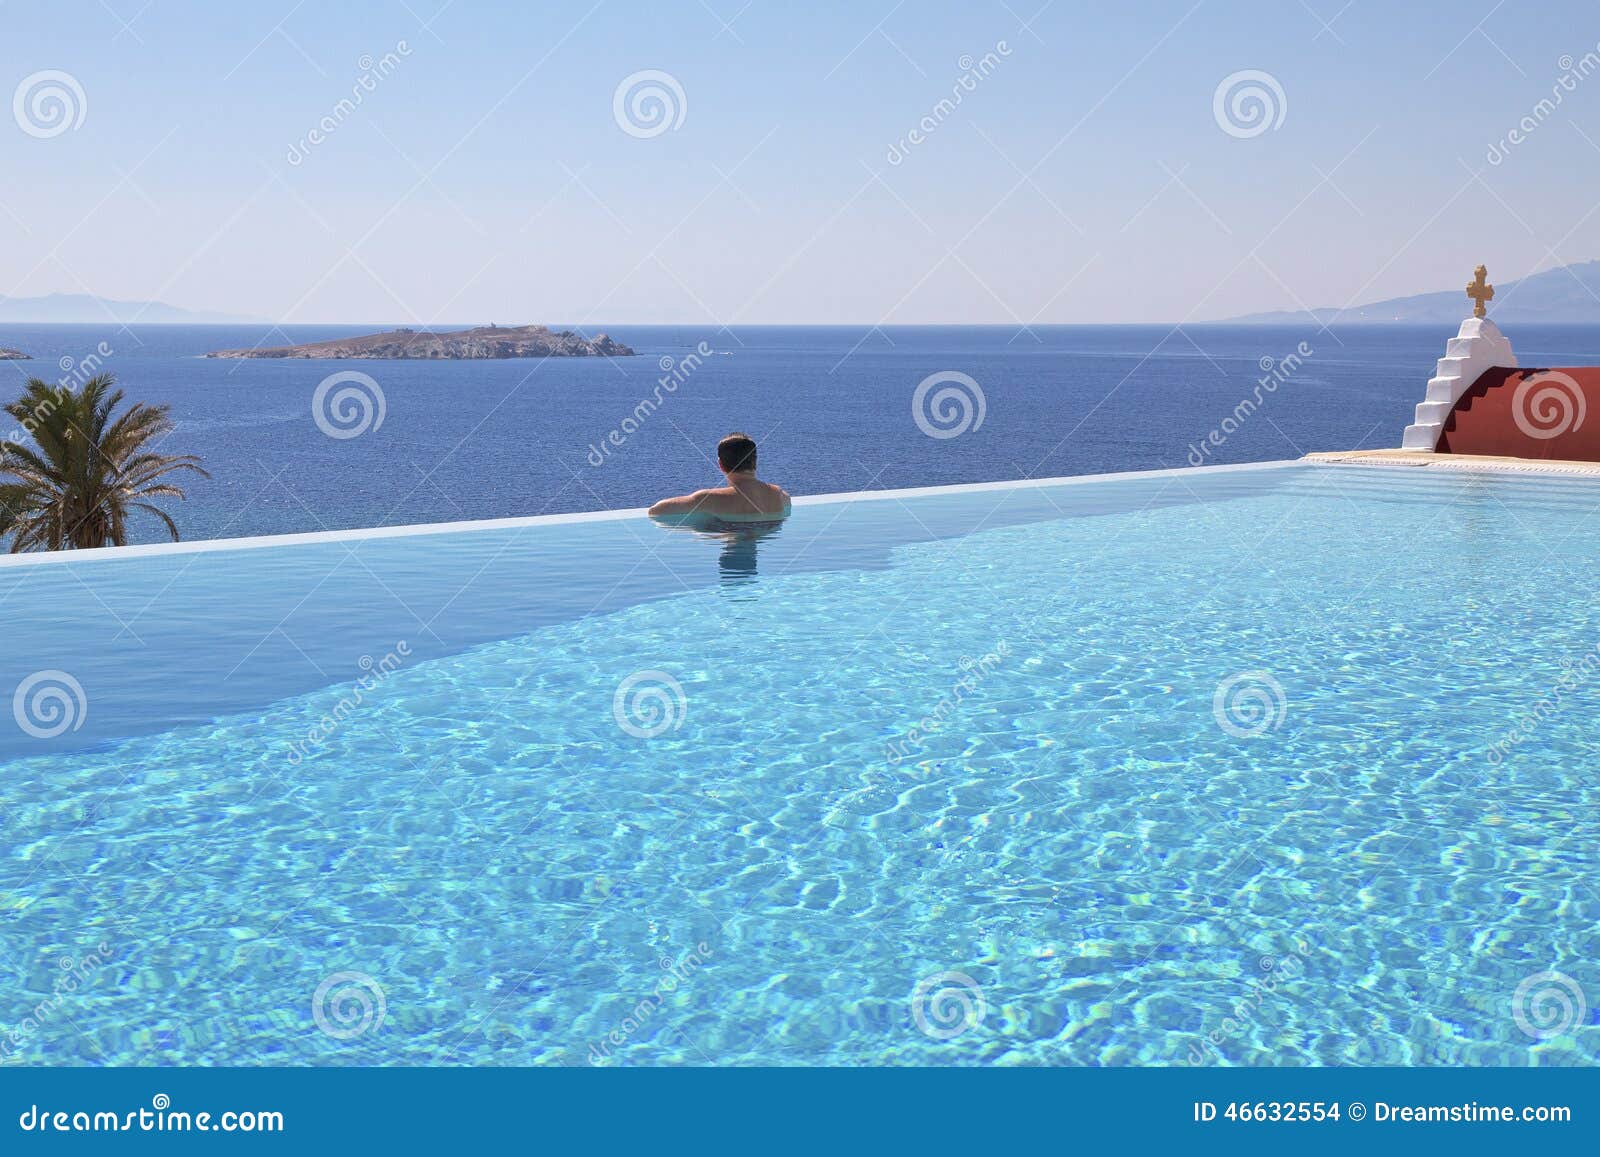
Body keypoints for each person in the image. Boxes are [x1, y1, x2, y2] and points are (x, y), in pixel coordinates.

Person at [648, 432, 791, 521]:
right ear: (755, 462)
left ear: (720, 465)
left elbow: (656, 511)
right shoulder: (779, 495)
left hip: (732, 537)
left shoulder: (709, 499)